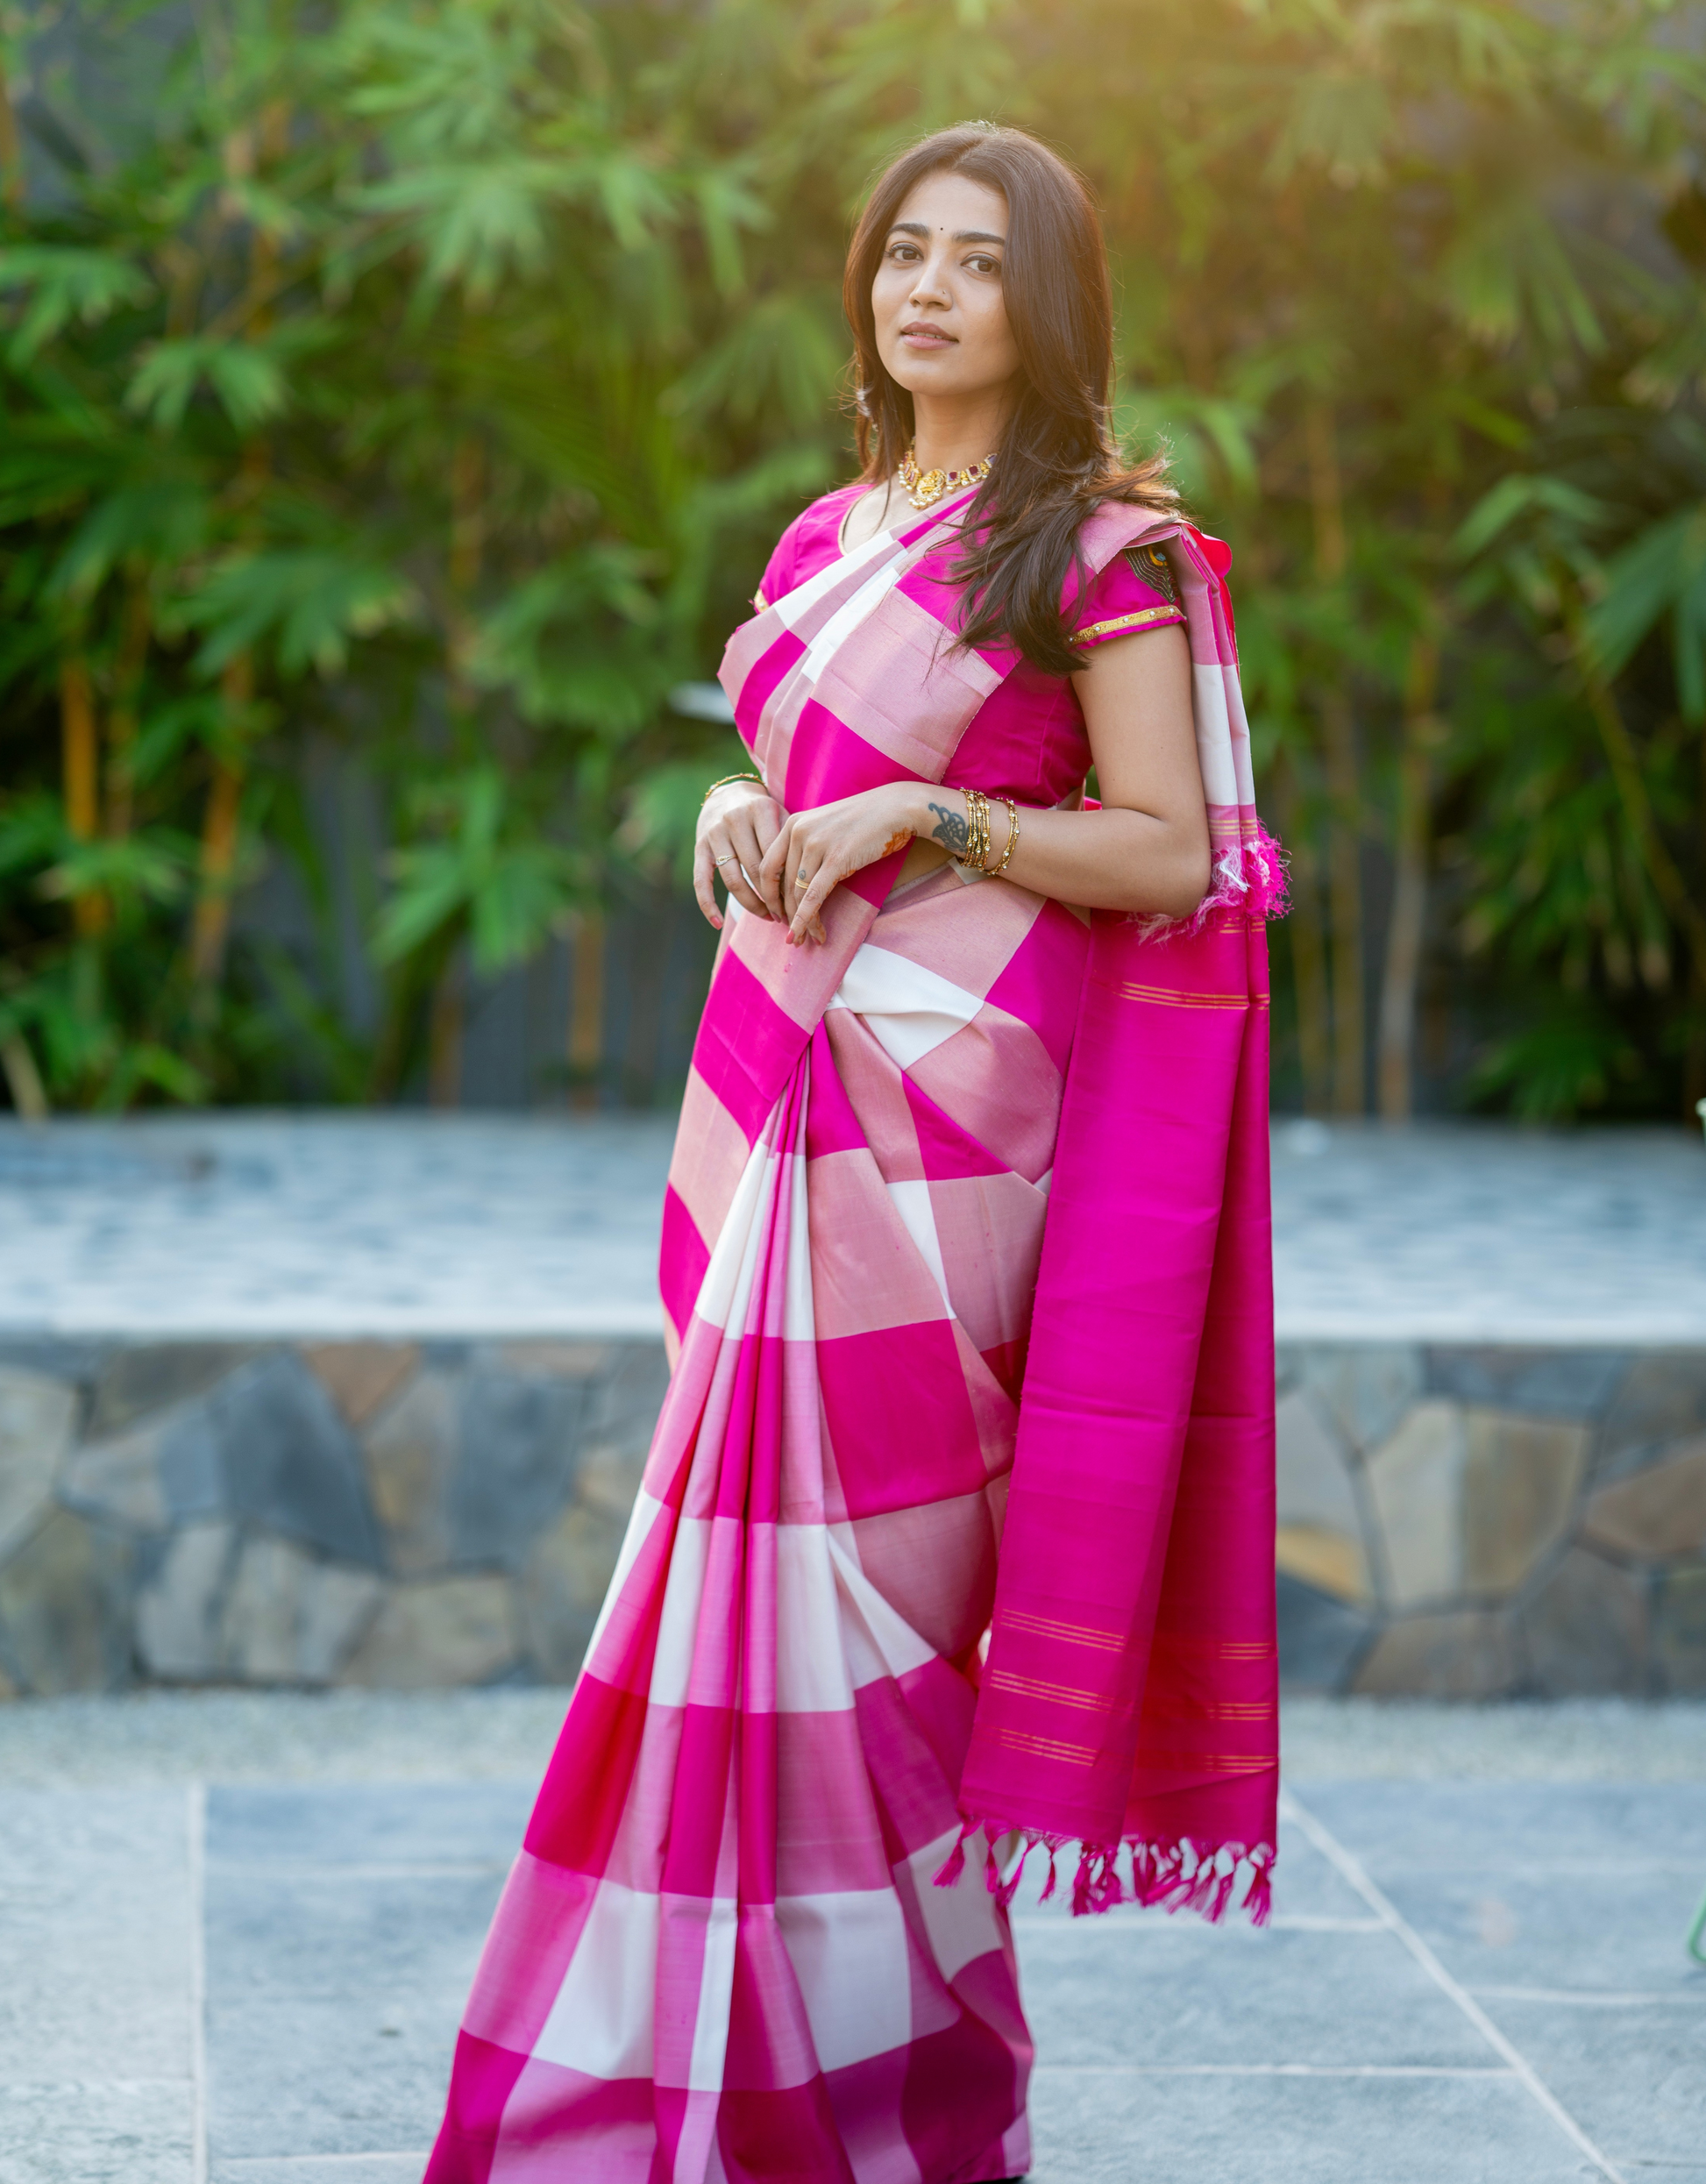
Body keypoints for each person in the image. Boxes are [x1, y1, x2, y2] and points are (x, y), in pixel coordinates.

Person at [425, 120, 1283, 2184]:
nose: (930, 290)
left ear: (1044, 302)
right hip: (782, 1072)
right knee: (735, 1592)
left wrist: (923, 820)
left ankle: (903, 2104)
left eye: (979, 262)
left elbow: (1170, 851)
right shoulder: (827, 536)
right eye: (906, 251)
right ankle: (691, 2087)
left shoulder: (1103, 553)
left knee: (881, 1630)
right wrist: (738, 817)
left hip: (948, 1125)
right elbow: (784, 781)